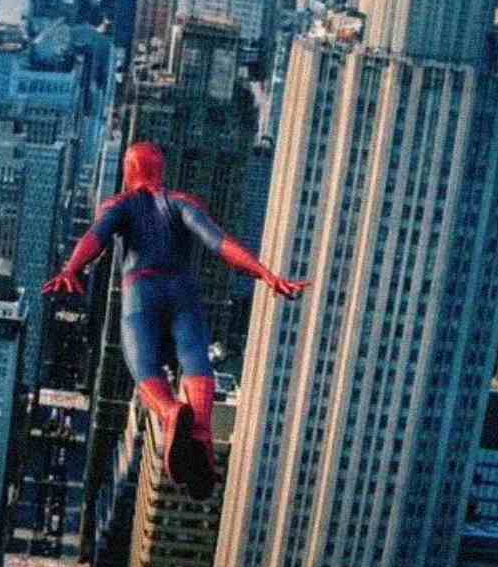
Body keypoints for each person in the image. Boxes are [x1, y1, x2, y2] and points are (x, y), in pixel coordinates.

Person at [43, 140, 308, 496]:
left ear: (128, 171)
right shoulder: (184, 203)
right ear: (160, 170)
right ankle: (200, 427)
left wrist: (72, 267)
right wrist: (265, 273)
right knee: (195, 356)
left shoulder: (120, 204)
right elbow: (219, 243)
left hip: (141, 291)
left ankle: (170, 411)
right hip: (183, 290)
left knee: (143, 363)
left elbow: (97, 236)